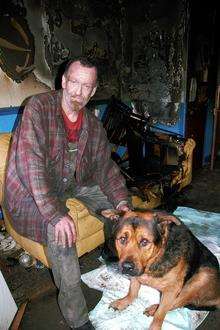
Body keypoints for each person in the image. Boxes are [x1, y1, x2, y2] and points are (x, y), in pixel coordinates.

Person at [4, 57, 131, 329]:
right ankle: (77, 319)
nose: (78, 92)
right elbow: (32, 164)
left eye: (87, 86)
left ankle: (112, 252)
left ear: (94, 90)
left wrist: (122, 203)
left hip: (70, 183)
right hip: (31, 192)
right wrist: (55, 213)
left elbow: (105, 168)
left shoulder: (93, 126)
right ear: (63, 81)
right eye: (74, 82)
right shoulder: (38, 108)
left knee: (120, 210)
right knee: (61, 232)